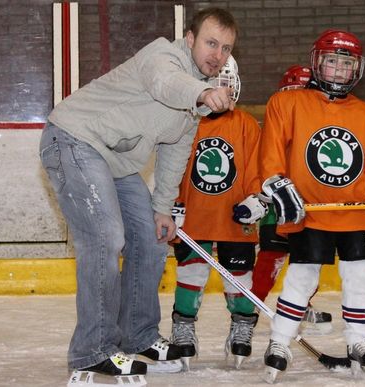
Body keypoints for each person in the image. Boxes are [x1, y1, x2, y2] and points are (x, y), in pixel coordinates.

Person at [39, 7, 238, 380]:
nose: (218, 55)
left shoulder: (193, 107)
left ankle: (138, 334)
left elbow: (175, 153)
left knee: (150, 239)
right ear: (191, 39)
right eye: (211, 43)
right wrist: (204, 91)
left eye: (226, 48)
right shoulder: (162, 57)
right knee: (106, 236)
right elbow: (167, 84)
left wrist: (163, 208)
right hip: (74, 138)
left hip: (115, 162)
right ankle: (91, 350)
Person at [257, 29, 365, 383]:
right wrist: (275, 182)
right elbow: (270, 151)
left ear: (356, 69)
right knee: (302, 277)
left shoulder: (364, 113)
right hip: (311, 209)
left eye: (345, 64)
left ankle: (359, 341)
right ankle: (280, 342)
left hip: (354, 211)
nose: (336, 71)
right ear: (317, 63)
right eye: (331, 62)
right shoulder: (286, 103)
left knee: (361, 275)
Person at [166, 56, 264, 371]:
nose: (220, 91)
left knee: (240, 277)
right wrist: (172, 204)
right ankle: (183, 326)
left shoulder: (246, 124)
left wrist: (256, 199)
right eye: (213, 84)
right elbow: (174, 170)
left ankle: (242, 324)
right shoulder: (184, 122)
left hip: (235, 219)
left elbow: (256, 169)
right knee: (190, 275)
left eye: (225, 83)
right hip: (194, 217)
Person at [250, 64, 333, 335]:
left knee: (311, 259)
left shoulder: (320, 124)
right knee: (270, 260)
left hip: (311, 205)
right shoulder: (275, 124)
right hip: (277, 205)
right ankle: (250, 308)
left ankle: (302, 303)